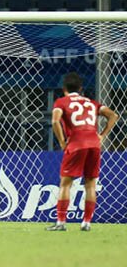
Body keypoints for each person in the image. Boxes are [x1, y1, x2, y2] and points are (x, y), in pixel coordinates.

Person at [46, 72, 119, 232]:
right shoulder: (92, 103)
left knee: (65, 184)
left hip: (76, 143)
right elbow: (113, 116)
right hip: (94, 144)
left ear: (64, 89)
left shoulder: (61, 102)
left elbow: (55, 121)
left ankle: (61, 222)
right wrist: (102, 136)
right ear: (80, 89)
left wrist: (62, 141)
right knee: (90, 185)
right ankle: (86, 223)